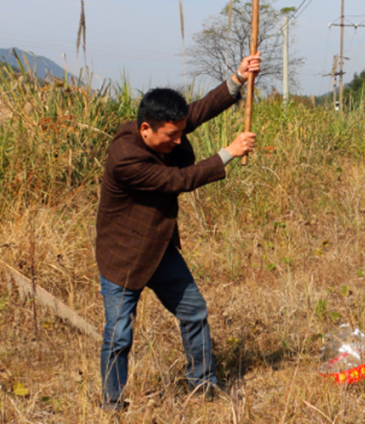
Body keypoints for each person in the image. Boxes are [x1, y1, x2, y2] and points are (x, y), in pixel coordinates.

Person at [95, 53, 261, 409]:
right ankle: (112, 405)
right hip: (124, 256)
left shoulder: (163, 129)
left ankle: (203, 385)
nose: (178, 141)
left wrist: (238, 78)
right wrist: (228, 153)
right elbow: (178, 180)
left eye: (179, 133)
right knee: (119, 336)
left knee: (194, 312)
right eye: (171, 136)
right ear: (145, 130)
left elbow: (197, 112)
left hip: (159, 247)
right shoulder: (125, 157)